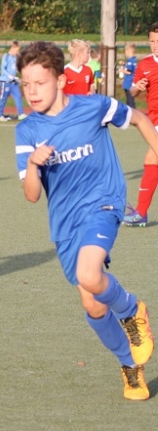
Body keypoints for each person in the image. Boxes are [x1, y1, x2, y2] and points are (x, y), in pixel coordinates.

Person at [15, 40, 157, 400]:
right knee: (92, 303)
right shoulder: (27, 131)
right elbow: (31, 195)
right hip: (65, 224)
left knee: (90, 275)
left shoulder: (94, 107)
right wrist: (33, 163)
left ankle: (132, 310)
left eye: (40, 83)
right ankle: (129, 364)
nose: (32, 91)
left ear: (61, 80)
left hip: (104, 203)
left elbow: (139, 118)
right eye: (26, 84)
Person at [124, 23, 158, 226]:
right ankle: (141, 212)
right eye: (152, 41)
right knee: (153, 160)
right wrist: (138, 86)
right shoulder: (144, 64)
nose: (155, 45)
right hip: (153, 121)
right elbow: (133, 91)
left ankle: (141, 212)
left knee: (152, 157)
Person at [0, 41, 25, 122]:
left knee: (18, 96)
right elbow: (3, 69)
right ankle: (0, 115)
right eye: (17, 50)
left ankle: (21, 114)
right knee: (3, 98)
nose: (18, 52)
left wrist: (18, 77)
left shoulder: (16, 57)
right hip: (5, 82)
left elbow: (15, 68)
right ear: (12, 48)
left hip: (13, 82)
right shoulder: (6, 56)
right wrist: (10, 76)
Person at [119, 42, 138, 110]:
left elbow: (129, 72)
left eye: (125, 51)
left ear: (128, 51)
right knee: (129, 99)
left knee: (130, 100)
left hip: (129, 83)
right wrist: (124, 64)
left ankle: (132, 112)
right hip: (130, 83)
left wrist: (122, 70)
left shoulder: (130, 61)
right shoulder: (133, 60)